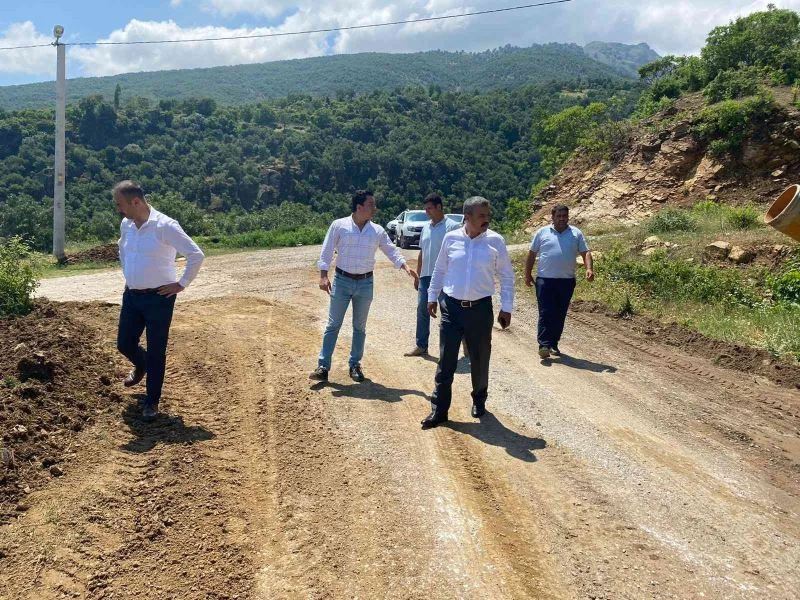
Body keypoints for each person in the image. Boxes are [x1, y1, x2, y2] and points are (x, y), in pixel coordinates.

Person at [114, 180, 205, 420]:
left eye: (120, 204)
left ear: (136, 202)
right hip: (132, 295)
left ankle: (151, 401)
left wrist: (181, 284)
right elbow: (122, 249)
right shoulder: (126, 225)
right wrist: (129, 274)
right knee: (124, 343)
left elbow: (196, 255)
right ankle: (141, 364)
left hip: (159, 298)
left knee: (156, 350)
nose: (118, 209)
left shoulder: (165, 226)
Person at [421, 196, 515, 429]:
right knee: (446, 361)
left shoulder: (495, 241)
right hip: (451, 308)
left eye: (488, 214)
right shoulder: (451, 238)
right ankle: (439, 410)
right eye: (482, 215)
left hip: (480, 310)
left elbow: (506, 276)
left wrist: (506, 307)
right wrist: (432, 297)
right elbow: (439, 269)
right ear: (467, 217)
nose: (487, 219)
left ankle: (479, 400)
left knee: (480, 359)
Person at [310, 190, 417, 383]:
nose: (375, 208)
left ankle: (355, 365)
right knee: (333, 324)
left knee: (359, 327)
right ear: (359, 207)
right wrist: (323, 276)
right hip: (342, 281)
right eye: (371, 204)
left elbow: (391, 250)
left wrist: (405, 266)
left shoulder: (377, 231)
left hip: (366, 283)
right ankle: (323, 366)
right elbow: (326, 250)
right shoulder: (339, 225)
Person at [524, 204, 593, 360]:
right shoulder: (542, 232)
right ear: (553, 217)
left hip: (566, 281)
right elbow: (531, 254)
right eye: (559, 216)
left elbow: (585, 252)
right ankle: (544, 345)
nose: (562, 219)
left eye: (564, 216)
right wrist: (527, 274)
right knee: (545, 312)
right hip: (545, 280)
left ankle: (553, 343)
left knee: (560, 313)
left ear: (568, 217)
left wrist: (589, 269)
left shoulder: (576, 233)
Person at [404, 193, 460, 357]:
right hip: (426, 276)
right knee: (422, 309)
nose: (427, 212)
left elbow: (457, 254)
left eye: (429, 208)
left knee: (448, 312)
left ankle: (452, 347)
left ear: (439, 207)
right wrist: (418, 274)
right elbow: (422, 252)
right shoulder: (426, 228)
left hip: (445, 276)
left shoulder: (452, 227)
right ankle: (421, 345)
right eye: (426, 209)